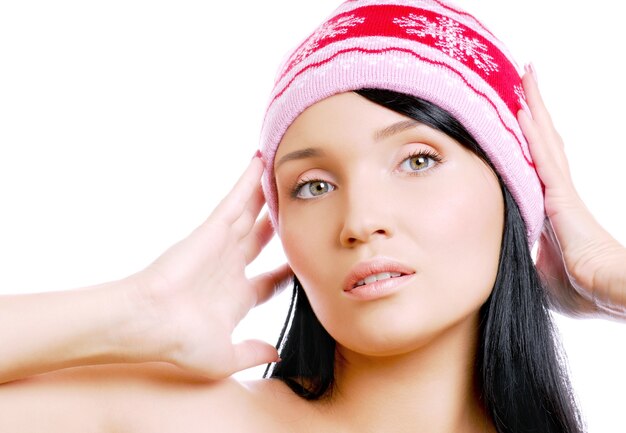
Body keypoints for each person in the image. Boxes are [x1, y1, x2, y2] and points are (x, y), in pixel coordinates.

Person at [0, 1, 624, 432]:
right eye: (313, 184)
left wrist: (607, 274)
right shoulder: (188, 420)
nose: (360, 220)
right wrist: (132, 313)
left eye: (416, 160)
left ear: (514, 191)